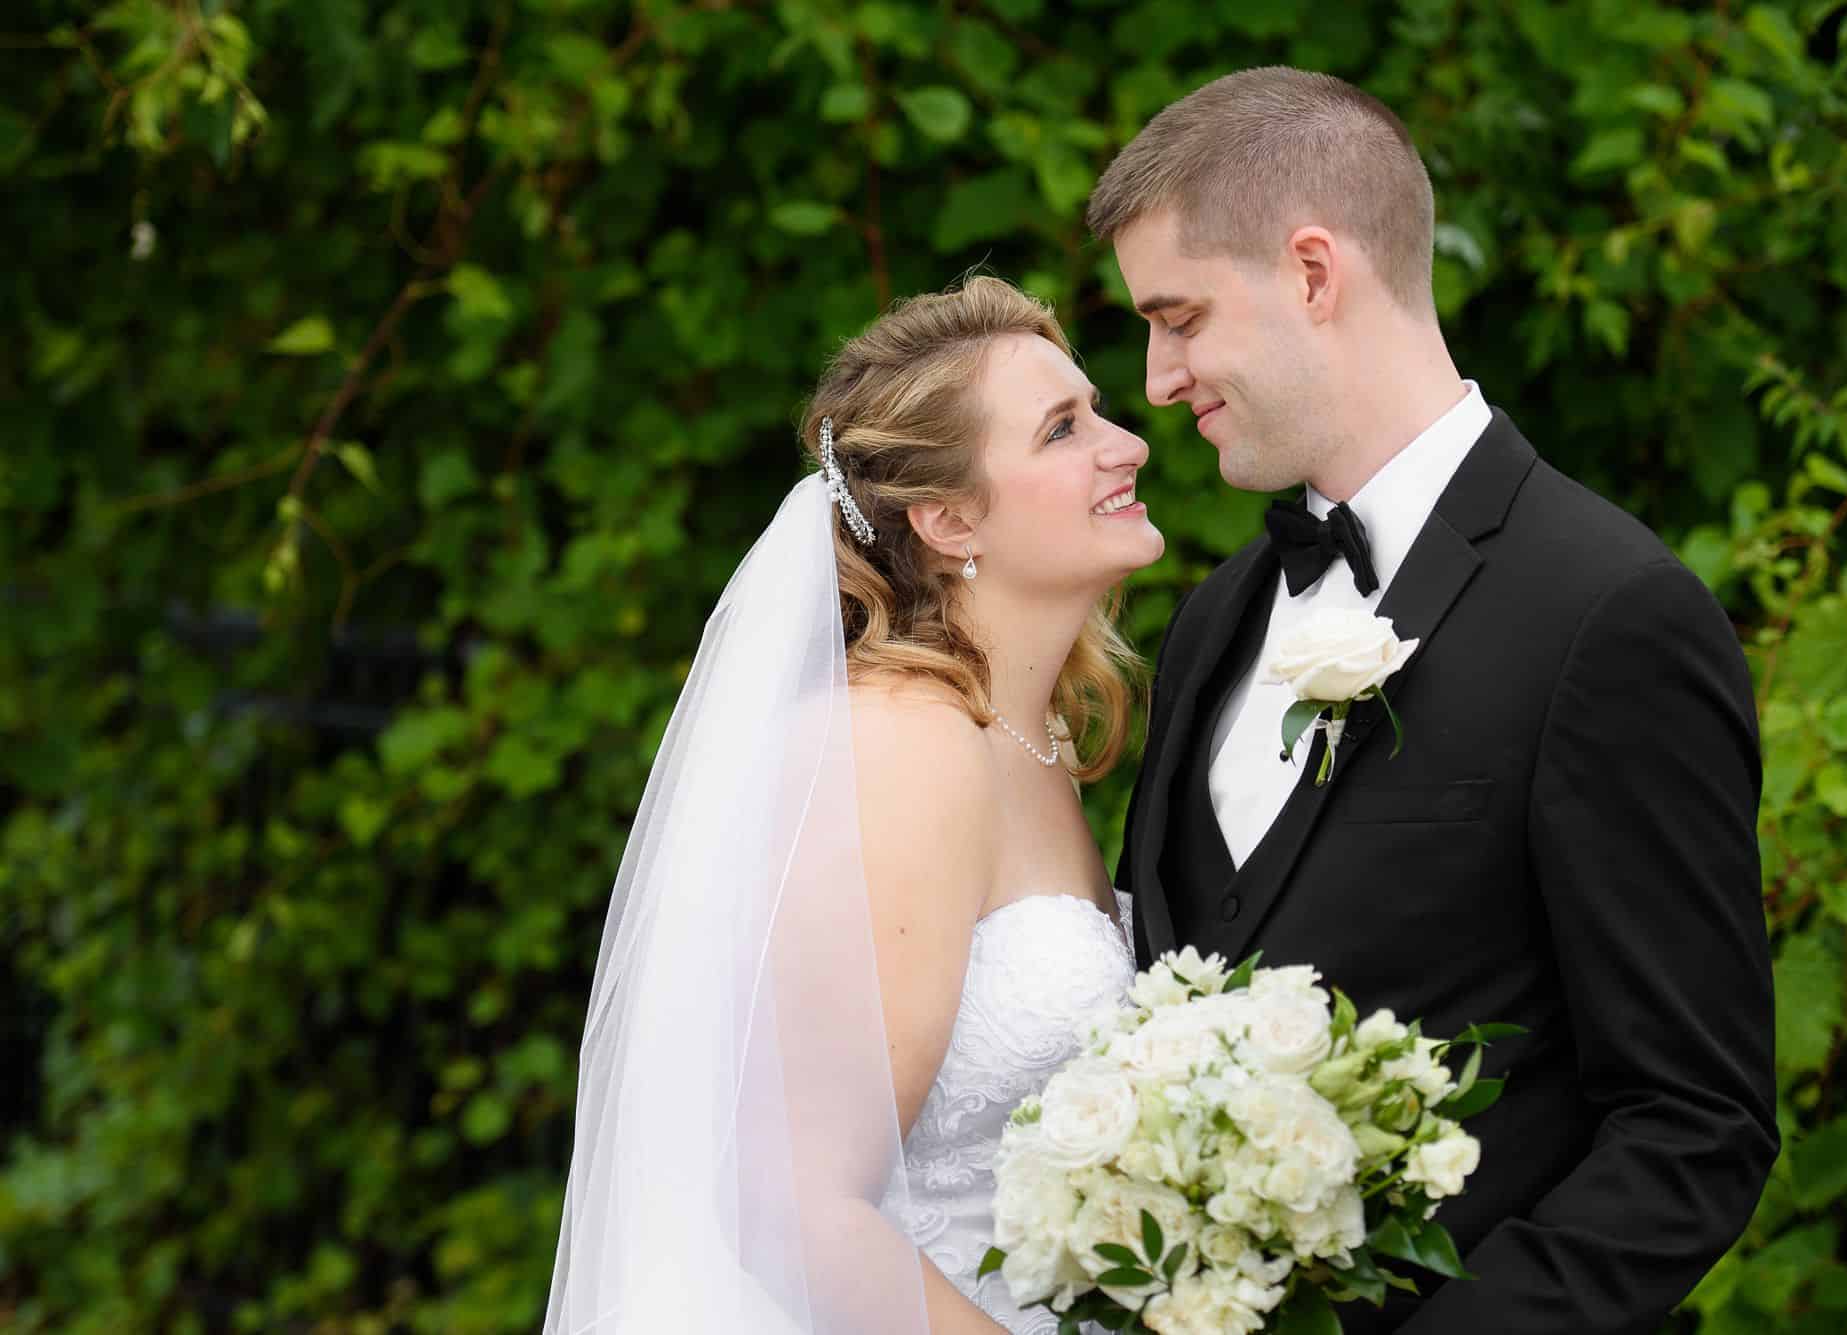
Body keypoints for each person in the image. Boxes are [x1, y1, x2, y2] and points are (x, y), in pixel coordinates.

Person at [1092, 67, 1778, 1334]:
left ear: (1310, 272)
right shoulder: (1210, 622)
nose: (1154, 379)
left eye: (1177, 317)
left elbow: (1693, 1126)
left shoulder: (1611, 616)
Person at [543, 276, 1163, 1334]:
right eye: (1063, 430)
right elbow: (789, 1205)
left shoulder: (1026, 732)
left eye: (1095, 410)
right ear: (947, 517)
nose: (1127, 444)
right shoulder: (901, 744)